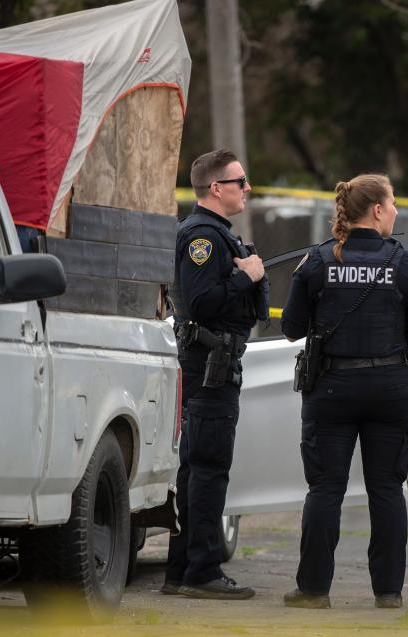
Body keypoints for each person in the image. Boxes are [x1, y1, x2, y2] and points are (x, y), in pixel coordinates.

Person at [280, 174, 408, 610]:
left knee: (325, 490)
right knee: (387, 490)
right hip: (390, 387)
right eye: (391, 205)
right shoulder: (404, 263)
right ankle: (388, 592)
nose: (395, 212)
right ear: (375, 210)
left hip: (331, 388)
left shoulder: (317, 260)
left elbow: (291, 328)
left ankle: (313, 590)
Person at [165, 149, 268, 600]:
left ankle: (181, 569)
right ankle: (202, 572)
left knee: (196, 468)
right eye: (240, 181)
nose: (247, 188)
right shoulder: (203, 237)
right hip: (211, 365)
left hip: (213, 363)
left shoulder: (215, 234)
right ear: (216, 188)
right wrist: (246, 276)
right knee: (208, 468)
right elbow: (203, 303)